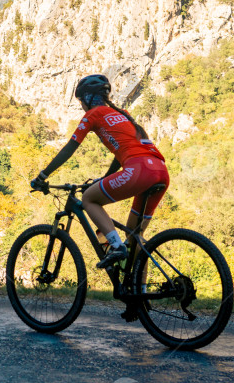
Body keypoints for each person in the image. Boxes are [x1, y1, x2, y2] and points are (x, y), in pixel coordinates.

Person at [31, 74, 170, 291]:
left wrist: (43, 175)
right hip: (160, 170)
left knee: (89, 199)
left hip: (138, 169)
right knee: (135, 235)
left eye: (81, 102)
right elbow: (120, 154)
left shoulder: (94, 114)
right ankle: (139, 296)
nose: (81, 106)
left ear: (87, 98)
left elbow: (70, 148)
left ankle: (115, 247)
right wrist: (105, 178)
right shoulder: (123, 115)